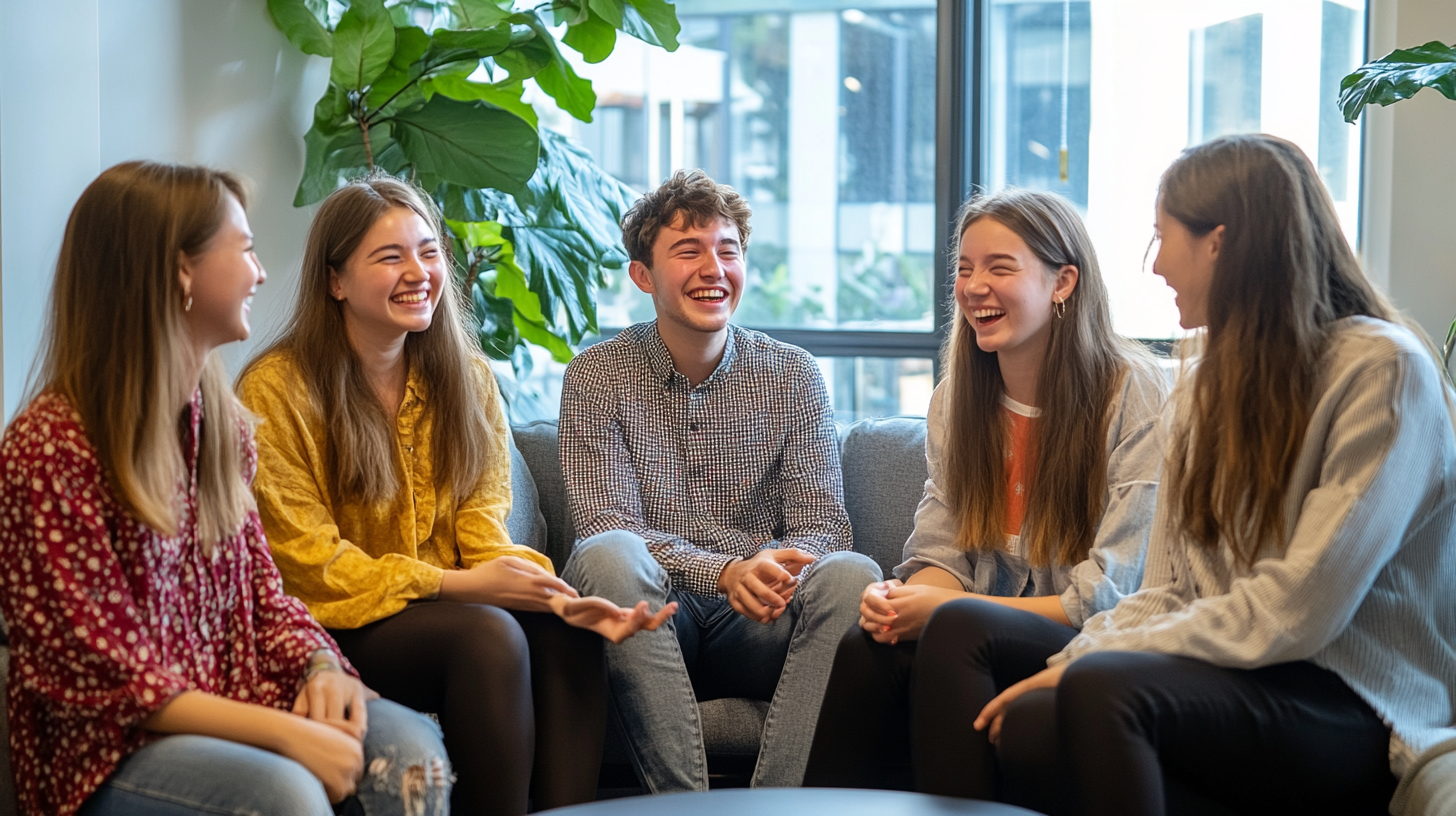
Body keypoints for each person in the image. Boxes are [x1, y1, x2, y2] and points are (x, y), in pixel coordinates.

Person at [972, 134, 1456, 816]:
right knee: (1030, 726)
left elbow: (1298, 610)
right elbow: (1170, 591)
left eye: (1161, 238)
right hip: (1240, 678)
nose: (1157, 265)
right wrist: (1069, 660)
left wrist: (1089, 666)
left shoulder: (1384, 372)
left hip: (1356, 702)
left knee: (1103, 692)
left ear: (1218, 243)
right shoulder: (1203, 389)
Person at [0, 161, 448, 816]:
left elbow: (263, 598)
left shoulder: (223, 429)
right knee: (285, 792)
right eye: (244, 249)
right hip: (114, 750)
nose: (261, 273)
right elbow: (106, 673)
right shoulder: (50, 448)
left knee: (410, 751)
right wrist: (286, 733)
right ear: (181, 271)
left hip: (239, 696)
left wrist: (322, 669)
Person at [237, 174, 673, 816]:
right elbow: (308, 563)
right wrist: (461, 587)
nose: (419, 272)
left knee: (568, 632)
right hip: (332, 626)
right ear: (336, 281)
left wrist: (558, 598)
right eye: (390, 257)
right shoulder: (276, 389)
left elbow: (482, 527)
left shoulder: (465, 375)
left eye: (429, 251)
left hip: (448, 615)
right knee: (488, 636)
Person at [803, 188, 1168, 804]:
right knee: (872, 644)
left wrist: (945, 613)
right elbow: (942, 553)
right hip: (971, 640)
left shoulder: (1133, 393)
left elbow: (1110, 593)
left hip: (1100, 639)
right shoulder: (958, 397)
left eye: (1000, 267)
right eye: (964, 269)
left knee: (957, 625)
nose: (974, 286)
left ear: (1064, 282)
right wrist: (906, 600)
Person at [557, 169, 883, 792]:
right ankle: (686, 808)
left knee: (853, 573)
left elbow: (824, 525)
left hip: (760, 624)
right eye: (689, 251)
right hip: (653, 620)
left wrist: (774, 569)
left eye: (727, 250)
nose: (714, 268)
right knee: (608, 556)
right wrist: (725, 571)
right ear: (643, 276)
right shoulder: (596, 375)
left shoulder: (793, 374)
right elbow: (607, 526)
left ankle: (777, 810)